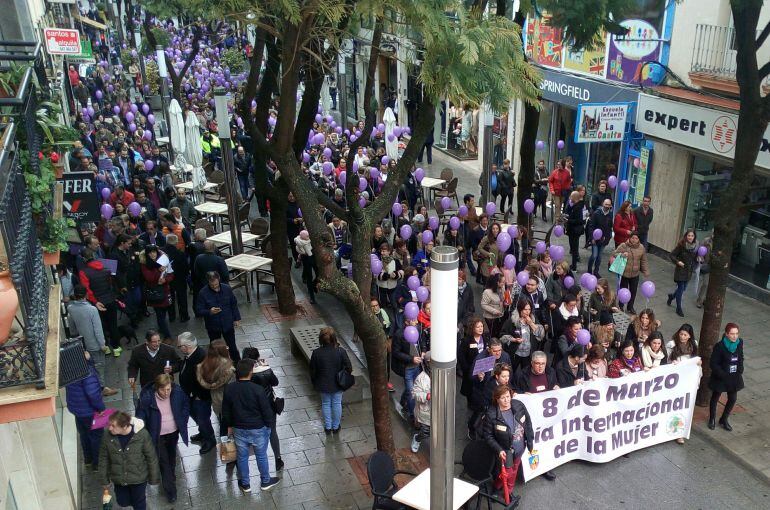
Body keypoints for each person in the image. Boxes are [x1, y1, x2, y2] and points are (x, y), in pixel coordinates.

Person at [221, 359, 280, 493]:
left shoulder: (229, 389)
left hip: (239, 428)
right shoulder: (257, 390)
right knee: (261, 455)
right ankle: (265, 481)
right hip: (258, 428)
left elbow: (226, 411)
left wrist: (229, 425)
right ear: (250, 372)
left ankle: (245, 484)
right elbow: (266, 411)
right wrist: (268, 426)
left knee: (242, 456)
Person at [135, 374, 190, 503]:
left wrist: (183, 419)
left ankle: (170, 475)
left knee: (171, 457)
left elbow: (185, 404)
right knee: (163, 461)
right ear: (156, 388)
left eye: (168, 389)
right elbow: (140, 415)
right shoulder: (147, 397)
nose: (166, 393)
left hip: (173, 432)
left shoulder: (177, 392)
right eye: (163, 390)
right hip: (157, 435)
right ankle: (171, 491)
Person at [482, 384, 533, 506]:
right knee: (507, 472)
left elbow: (528, 423)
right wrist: (499, 450)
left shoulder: (518, 405)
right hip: (506, 451)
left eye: (508, 396)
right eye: (503, 397)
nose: (507, 400)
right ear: (497, 399)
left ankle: (508, 491)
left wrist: (530, 442)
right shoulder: (491, 414)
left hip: (520, 448)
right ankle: (497, 487)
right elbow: (488, 436)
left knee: (514, 470)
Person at [98, 411, 160, 510]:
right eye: (109, 425)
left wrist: (154, 478)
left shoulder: (142, 435)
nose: (110, 428)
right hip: (119, 478)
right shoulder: (107, 435)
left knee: (139, 502)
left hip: (138, 478)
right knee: (122, 501)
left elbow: (151, 457)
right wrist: (104, 480)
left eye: (113, 426)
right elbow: (103, 458)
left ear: (124, 426)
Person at [67, 285, 117, 395]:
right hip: (94, 344)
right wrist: (102, 344)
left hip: (81, 344)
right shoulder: (92, 309)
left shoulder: (70, 308)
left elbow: (72, 328)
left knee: (87, 367)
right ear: (86, 295)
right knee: (99, 366)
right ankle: (101, 388)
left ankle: (91, 387)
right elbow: (97, 328)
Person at [175, 332, 216, 454]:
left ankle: (210, 440)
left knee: (202, 418)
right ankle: (203, 433)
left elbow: (208, 379)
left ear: (186, 346)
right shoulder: (190, 354)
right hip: (191, 395)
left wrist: (197, 394)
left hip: (200, 397)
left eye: (179, 346)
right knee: (197, 416)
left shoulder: (201, 357)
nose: (179, 348)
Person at [243, 347, 283, 470]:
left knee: (258, 435)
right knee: (273, 432)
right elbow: (275, 382)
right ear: (257, 358)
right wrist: (267, 367)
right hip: (269, 405)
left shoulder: (244, 372)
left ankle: (262, 460)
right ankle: (278, 458)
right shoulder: (265, 370)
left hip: (253, 409)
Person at [66, 351, 107, 471]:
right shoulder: (87, 371)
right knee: (96, 437)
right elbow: (93, 393)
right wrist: (100, 408)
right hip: (90, 411)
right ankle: (97, 464)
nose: (87, 352)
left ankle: (88, 460)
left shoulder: (70, 369)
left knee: (84, 435)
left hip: (77, 409)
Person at [309, 327, 353, 434]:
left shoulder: (316, 353)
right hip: (338, 383)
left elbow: (312, 370)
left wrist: (315, 382)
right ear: (334, 339)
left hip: (323, 384)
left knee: (325, 404)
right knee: (337, 403)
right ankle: (336, 426)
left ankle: (328, 427)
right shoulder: (340, 351)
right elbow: (349, 367)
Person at [78, 248, 120, 356]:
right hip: (110, 299)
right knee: (113, 324)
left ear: (83, 258)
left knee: (100, 325)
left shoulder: (83, 272)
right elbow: (111, 284)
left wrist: (95, 302)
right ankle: (116, 347)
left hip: (97, 302)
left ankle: (105, 347)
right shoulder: (106, 267)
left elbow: (87, 289)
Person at [468, 338, 511, 438]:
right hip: (482, 391)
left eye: (500, 350)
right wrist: (479, 378)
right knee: (479, 412)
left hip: (499, 389)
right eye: (495, 351)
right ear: (488, 349)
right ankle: (472, 428)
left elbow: (510, 372)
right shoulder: (481, 358)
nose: (498, 353)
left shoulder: (505, 356)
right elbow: (471, 377)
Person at [196, 271, 242, 362]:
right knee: (215, 348)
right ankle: (215, 366)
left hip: (227, 324)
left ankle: (238, 365)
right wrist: (209, 311)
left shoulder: (227, 289)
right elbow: (198, 310)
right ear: (208, 282)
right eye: (212, 285)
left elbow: (233, 304)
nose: (215, 287)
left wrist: (236, 318)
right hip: (213, 326)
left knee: (232, 347)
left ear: (219, 279)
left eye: (216, 284)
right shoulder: (203, 293)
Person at [708, 323, 744, 432]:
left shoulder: (739, 343)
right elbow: (713, 363)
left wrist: (740, 368)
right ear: (727, 334)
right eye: (732, 334)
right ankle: (712, 419)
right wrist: (722, 374)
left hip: (734, 375)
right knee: (715, 397)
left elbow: (740, 356)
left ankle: (724, 419)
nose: (735, 336)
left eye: (736, 333)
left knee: (732, 398)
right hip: (722, 376)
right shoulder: (720, 346)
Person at [196, 339, 235, 436]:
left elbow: (203, 382)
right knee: (227, 425)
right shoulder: (228, 368)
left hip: (215, 399)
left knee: (221, 420)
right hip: (225, 400)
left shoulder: (202, 365)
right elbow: (232, 385)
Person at [500, 299, 545, 373]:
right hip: (515, 353)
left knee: (526, 373)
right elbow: (502, 336)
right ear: (520, 309)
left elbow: (540, 335)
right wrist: (514, 339)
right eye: (525, 309)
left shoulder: (533, 319)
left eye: (529, 309)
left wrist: (531, 323)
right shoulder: (512, 321)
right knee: (511, 371)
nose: (527, 312)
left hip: (528, 353)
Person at [140, 245, 175, 341]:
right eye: (150, 252)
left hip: (165, 290)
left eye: (154, 252)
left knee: (163, 314)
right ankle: (167, 335)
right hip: (154, 292)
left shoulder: (164, 261)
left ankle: (162, 328)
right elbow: (149, 278)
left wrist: (165, 280)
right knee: (160, 314)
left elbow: (171, 274)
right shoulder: (145, 264)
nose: (152, 254)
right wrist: (158, 270)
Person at [611, 231, 649, 314]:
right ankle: (621, 305)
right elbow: (614, 253)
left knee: (633, 291)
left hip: (635, 274)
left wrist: (645, 270)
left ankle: (630, 307)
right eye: (633, 238)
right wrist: (622, 255)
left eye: (636, 238)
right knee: (623, 290)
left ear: (638, 239)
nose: (634, 240)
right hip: (625, 273)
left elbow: (643, 260)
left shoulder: (641, 247)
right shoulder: (624, 245)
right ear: (630, 238)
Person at [667, 229, 698, 317]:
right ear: (686, 236)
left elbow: (695, 259)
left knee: (683, 288)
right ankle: (678, 308)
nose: (690, 237)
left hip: (689, 271)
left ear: (694, 237)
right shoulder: (681, 245)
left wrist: (699, 259)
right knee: (681, 289)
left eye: (692, 236)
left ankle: (672, 297)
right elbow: (672, 255)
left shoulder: (695, 247)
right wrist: (678, 262)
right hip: (681, 270)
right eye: (689, 235)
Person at [164, 234, 190, 323]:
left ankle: (171, 316)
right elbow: (186, 267)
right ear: (176, 242)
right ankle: (184, 315)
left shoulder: (162, 253)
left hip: (167, 279)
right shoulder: (180, 254)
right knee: (182, 297)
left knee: (170, 297)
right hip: (180, 279)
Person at [410, 355, 432, 453]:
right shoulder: (421, 378)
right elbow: (415, 394)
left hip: (438, 409)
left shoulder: (440, 374)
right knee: (425, 432)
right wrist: (427, 396)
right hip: (425, 411)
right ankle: (417, 438)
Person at [586, 198, 613, 277]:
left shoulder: (610, 215)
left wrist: (607, 239)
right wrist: (592, 238)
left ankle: (596, 271)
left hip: (603, 240)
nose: (607, 206)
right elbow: (591, 226)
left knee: (599, 257)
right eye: (606, 204)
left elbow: (609, 228)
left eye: (609, 205)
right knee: (594, 255)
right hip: (595, 239)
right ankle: (589, 269)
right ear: (602, 204)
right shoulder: (596, 213)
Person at [294, 230, 318, 303]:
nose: (308, 237)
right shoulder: (299, 242)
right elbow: (299, 250)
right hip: (306, 259)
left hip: (313, 258)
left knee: (318, 273)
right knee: (309, 277)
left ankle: (314, 284)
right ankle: (312, 297)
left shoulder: (310, 239)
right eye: (307, 236)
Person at [564, 190, 585, 270]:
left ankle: (574, 266)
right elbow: (568, 212)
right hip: (571, 230)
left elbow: (579, 220)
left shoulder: (579, 207)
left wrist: (568, 220)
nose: (569, 198)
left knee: (574, 248)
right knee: (572, 248)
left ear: (574, 198)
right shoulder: (572, 205)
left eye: (571, 197)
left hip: (575, 231)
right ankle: (573, 264)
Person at [481, 273, 505, 338]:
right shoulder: (487, 292)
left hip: (500, 315)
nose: (504, 284)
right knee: (493, 334)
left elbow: (502, 299)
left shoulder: (502, 288)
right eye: (502, 282)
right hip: (490, 317)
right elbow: (483, 304)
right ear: (497, 282)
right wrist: (494, 311)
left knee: (498, 332)